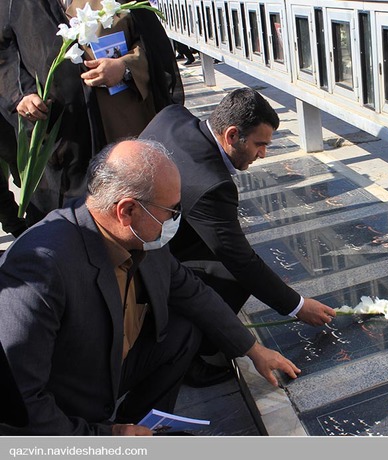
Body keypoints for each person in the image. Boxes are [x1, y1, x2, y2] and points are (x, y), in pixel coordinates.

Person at [0, 139, 300, 435]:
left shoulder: (137, 235)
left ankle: (144, 427)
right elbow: (20, 404)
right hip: (66, 407)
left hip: (109, 364)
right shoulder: (40, 270)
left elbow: (192, 293)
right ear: (127, 210)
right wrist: (104, 438)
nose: (175, 220)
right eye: (171, 210)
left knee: (183, 331)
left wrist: (253, 349)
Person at [140, 88, 336, 386]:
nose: (263, 154)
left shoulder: (173, 116)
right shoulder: (211, 184)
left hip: (146, 234)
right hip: (143, 263)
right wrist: (297, 306)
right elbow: (239, 260)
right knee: (231, 276)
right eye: (259, 144)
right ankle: (183, 355)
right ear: (232, 135)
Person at [0, 0, 183, 226]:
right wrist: (21, 94)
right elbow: (5, 52)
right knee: (70, 224)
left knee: (134, 210)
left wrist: (124, 67)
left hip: (121, 124)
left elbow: (153, 45)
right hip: (62, 139)